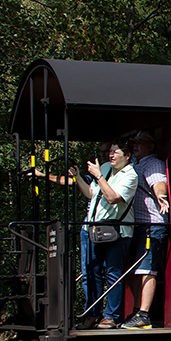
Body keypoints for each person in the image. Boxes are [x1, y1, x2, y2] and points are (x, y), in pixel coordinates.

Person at [34, 141, 111, 329]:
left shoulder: (113, 173)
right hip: (89, 228)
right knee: (89, 272)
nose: (102, 156)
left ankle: (103, 315)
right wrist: (45, 176)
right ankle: (92, 313)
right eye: (100, 152)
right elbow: (72, 182)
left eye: (106, 152)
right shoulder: (95, 175)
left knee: (106, 272)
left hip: (106, 228)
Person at [85, 139, 137, 328]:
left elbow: (113, 197)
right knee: (93, 272)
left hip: (118, 231)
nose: (111, 155)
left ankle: (111, 316)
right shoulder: (106, 168)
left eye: (116, 152)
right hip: (98, 229)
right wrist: (77, 178)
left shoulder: (130, 175)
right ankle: (94, 313)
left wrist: (99, 176)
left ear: (127, 156)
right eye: (111, 151)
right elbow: (92, 194)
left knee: (114, 273)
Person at [123, 131, 169, 329]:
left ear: (151, 146)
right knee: (135, 269)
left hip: (152, 225)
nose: (135, 146)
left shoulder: (153, 163)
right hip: (138, 225)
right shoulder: (135, 163)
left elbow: (159, 183)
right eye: (134, 143)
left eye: (140, 143)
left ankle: (144, 315)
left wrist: (161, 195)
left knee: (147, 269)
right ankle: (136, 311)